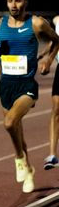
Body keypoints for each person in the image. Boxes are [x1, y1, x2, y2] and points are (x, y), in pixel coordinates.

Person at [0, 0, 59, 191]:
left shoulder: (36, 23)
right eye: (10, 1)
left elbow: (56, 40)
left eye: (18, 0)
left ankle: (19, 158)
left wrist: (48, 59)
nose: (13, 5)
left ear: (25, 1)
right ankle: (27, 169)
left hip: (27, 85)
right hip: (6, 85)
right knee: (17, 131)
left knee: (9, 123)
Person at [44, 14, 59, 170]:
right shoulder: (56, 20)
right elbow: (55, 40)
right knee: (56, 110)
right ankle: (52, 155)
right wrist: (44, 55)